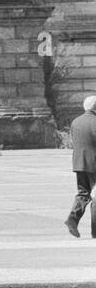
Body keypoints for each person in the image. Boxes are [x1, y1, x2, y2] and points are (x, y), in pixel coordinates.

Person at [64, 95, 96, 237]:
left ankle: (72, 219)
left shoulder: (76, 121)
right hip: (94, 163)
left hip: (79, 163)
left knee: (83, 193)